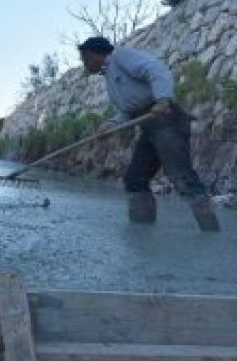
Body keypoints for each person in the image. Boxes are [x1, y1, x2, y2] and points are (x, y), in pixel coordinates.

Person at [77, 36, 220, 231]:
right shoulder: (110, 78)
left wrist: (162, 100)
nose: (84, 64)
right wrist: (110, 124)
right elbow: (127, 111)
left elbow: (156, 70)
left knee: (182, 177)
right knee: (135, 180)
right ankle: (142, 236)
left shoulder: (121, 56)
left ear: (92, 54)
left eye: (84, 59)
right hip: (149, 126)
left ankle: (211, 231)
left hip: (167, 119)